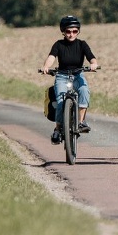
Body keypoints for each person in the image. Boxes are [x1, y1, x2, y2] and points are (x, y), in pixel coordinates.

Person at [41, 15, 100, 144]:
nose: (71, 34)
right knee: (61, 101)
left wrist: (93, 64)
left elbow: (91, 57)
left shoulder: (82, 44)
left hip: (78, 75)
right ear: (63, 31)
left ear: (78, 31)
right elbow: (52, 56)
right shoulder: (58, 44)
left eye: (74, 31)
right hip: (62, 76)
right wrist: (46, 66)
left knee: (84, 90)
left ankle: (81, 122)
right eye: (68, 31)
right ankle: (57, 129)